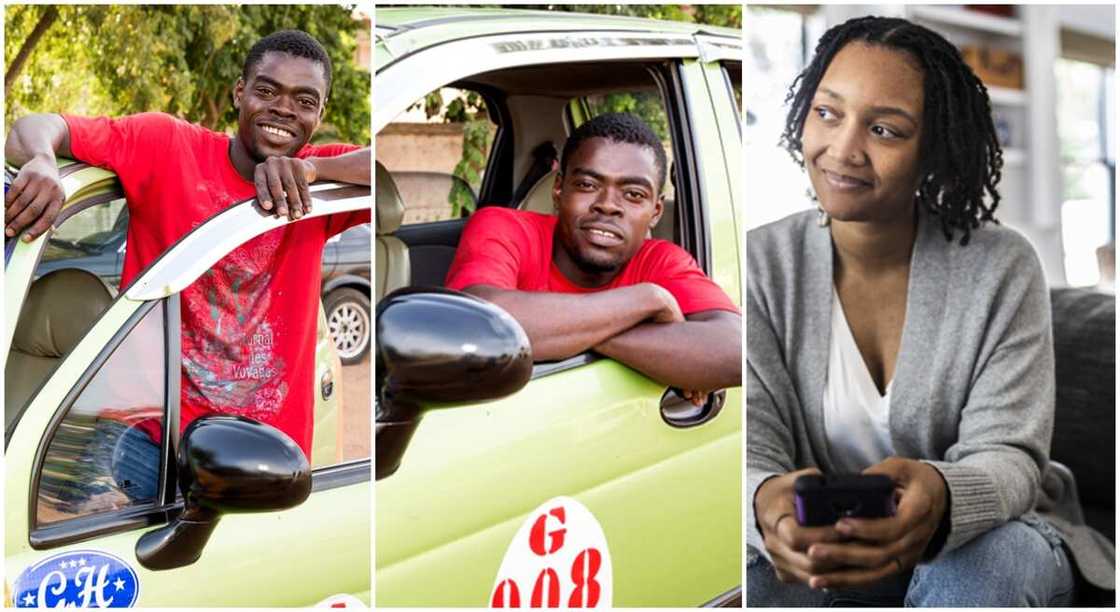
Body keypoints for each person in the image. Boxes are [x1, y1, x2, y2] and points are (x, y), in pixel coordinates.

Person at [745, 16, 1113, 606]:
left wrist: (943, 495)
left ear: (931, 150)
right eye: (828, 112)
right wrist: (763, 502)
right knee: (750, 568)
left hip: (991, 535)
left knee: (990, 562)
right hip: (824, 545)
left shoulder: (1002, 267)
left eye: (885, 130)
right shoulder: (759, 263)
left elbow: (1010, 456)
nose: (843, 149)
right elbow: (752, 446)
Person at [4, 30, 371, 466]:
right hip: (147, 442)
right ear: (240, 92)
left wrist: (314, 168)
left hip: (267, 453)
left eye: (305, 101)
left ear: (320, 111)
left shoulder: (315, 183)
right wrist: (43, 160)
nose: (284, 110)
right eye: (267, 90)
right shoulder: (167, 146)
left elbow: (381, 172)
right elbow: (34, 129)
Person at [445, 112, 741, 398]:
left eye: (634, 194)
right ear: (559, 188)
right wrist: (648, 301)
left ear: (656, 211)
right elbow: (478, 324)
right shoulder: (505, 227)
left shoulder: (661, 260)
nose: (608, 205)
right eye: (587, 185)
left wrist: (561, 333)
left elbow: (736, 349)